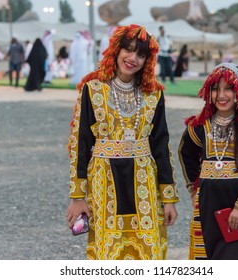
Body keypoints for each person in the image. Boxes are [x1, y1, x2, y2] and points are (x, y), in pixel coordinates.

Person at [66, 24, 179, 260]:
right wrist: (78, 197)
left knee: (147, 251)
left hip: (144, 184)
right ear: (116, 50)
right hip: (104, 182)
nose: (133, 58)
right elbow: (81, 143)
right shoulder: (93, 89)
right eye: (128, 50)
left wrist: (168, 198)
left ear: (147, 60)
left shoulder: (153, 94)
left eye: (141, 54)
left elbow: (161, 145)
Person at [178, 62, 238, 260]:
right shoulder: (199, 127)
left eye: (228, 88)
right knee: (205, 257)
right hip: (207, 202)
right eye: (215, 89)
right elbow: (185, 154)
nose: (221, 95)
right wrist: (195, 188)